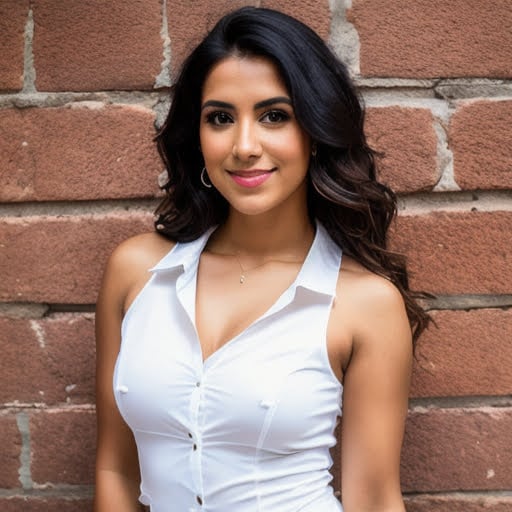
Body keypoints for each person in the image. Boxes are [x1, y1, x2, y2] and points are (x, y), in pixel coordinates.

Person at [94, 6, 429, 512]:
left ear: (314, 133)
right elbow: (114, 470)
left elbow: (375, 497)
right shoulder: (135, 273)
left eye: (275, 116)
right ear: (198, 134)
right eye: (220, 118)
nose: (244, 146)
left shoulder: (363, 303)